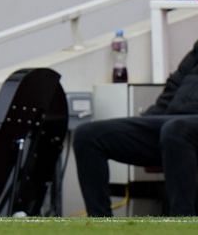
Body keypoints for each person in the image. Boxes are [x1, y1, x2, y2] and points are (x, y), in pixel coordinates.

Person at [73, 41, 198, 216]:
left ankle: (184, 225)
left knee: (175, 130)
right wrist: (143, 126)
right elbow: (172, 90)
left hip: (182, 129)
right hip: (171, 126)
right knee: (87, 135)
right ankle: (100, 226)